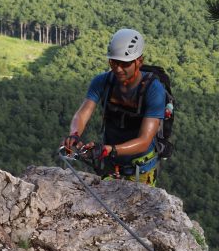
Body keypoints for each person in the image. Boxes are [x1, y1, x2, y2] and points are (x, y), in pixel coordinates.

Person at [61, 28, 166, 185]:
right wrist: (74, 134)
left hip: (140, 169)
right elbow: (83, 113)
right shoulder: (103, 81)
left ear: (139, 62)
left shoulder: (154, 90)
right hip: (111, 164)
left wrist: (109, 150)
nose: (118, 68)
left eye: (124, 64)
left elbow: (144, 140)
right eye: (113, 62)